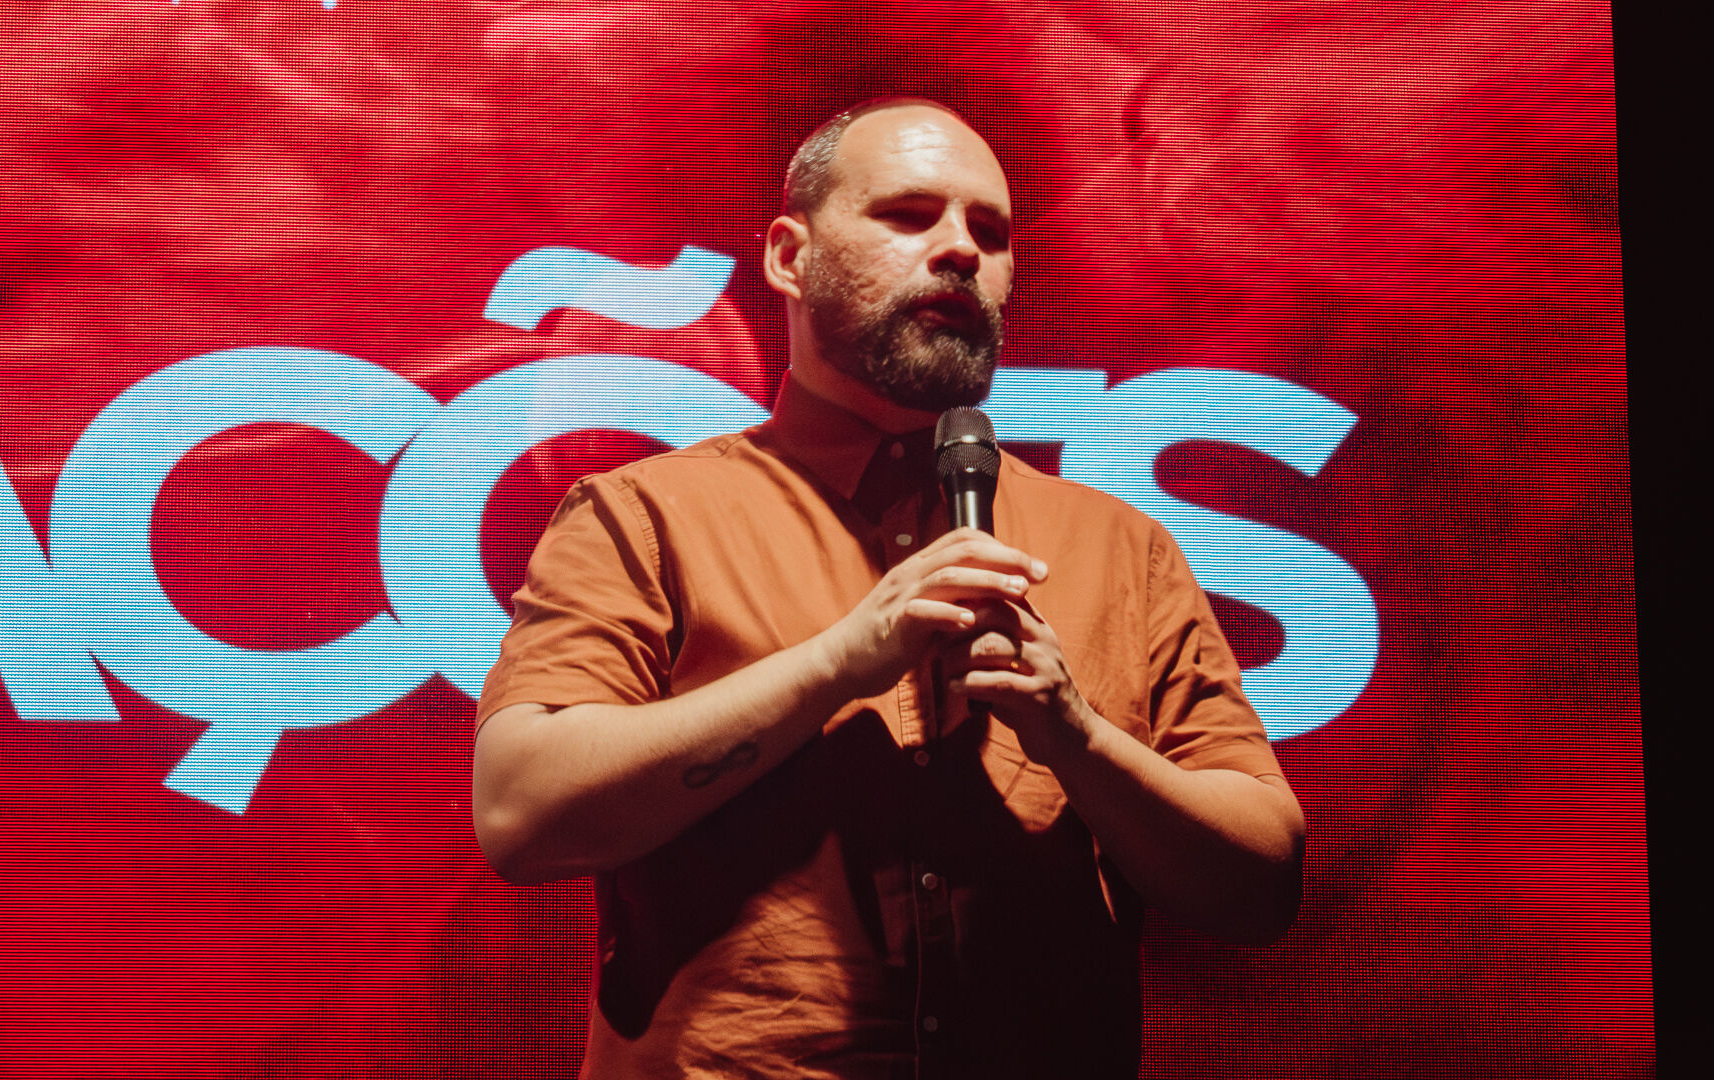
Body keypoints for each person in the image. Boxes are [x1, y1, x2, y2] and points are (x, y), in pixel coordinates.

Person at [472, 97, 1305, 1079]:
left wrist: (1077, 736)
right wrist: (836, 664)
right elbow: (521, 816)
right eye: (909, 215)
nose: (960, 250)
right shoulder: (643, 516)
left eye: (990, 232)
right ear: (790, 256)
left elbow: (1263, 888)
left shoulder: (1122, 548)